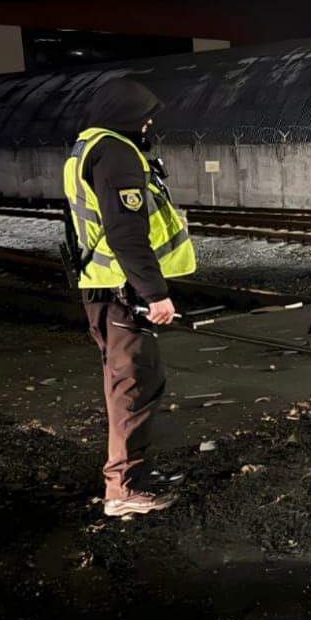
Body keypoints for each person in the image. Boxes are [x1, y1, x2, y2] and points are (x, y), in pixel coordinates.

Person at [62, 79, 196, 517]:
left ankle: (130, 477)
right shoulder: (116, 153)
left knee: (133, 382)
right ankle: (124, 490)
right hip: (120, 290)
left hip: (105, 286)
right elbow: (125, 232)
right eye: (144, 115)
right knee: (134, 386)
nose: (149, 122)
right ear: (124, 116)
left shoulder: (87, 148)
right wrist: (155, 294)